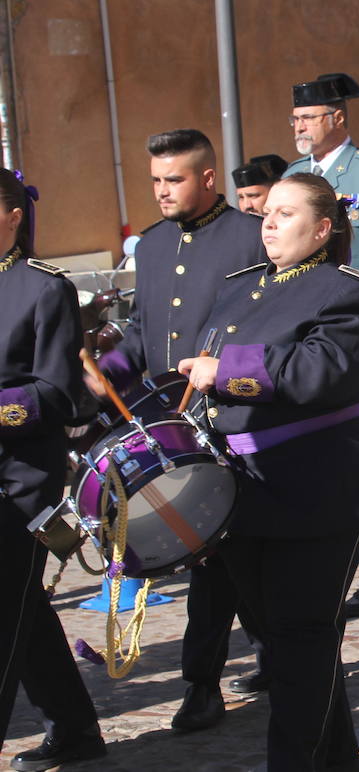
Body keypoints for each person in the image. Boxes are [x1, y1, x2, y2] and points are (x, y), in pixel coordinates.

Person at [178, 173, 359, 770]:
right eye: (267, 212)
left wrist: (225, 371)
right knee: (292, 644)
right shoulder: (239, 289)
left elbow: (321, 372)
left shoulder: (349, 293)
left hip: (316, 491)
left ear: (322, 229)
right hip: (244, 495)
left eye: (286, 214)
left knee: (299, 640)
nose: (269, 223)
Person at [95, 128, 267, 731]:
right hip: (172, 423)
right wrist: (109, 371)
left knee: (236, 554)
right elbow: (143, 332)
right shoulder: (154, 244)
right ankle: (207, 683)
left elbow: (263, 325)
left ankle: (235, 668)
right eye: (155, 181)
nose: (162, 192)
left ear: (208, 178)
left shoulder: (252, 235)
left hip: (237, 416)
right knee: (213, 555)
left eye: (174, 180)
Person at [283, 73, 359, 619]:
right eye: (295, 119)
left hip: (357, 332)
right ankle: (335, 552)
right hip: (306, 338)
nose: (299, 127)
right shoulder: (292, 177)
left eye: (308, 118)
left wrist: (348, 317)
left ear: (337, 117)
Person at [0, 169, 106, 770]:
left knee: (5, 616)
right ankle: (74, 726)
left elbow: (57, 393)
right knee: (24, 614)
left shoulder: (43, 288)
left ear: (14, 216)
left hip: (20, 481)